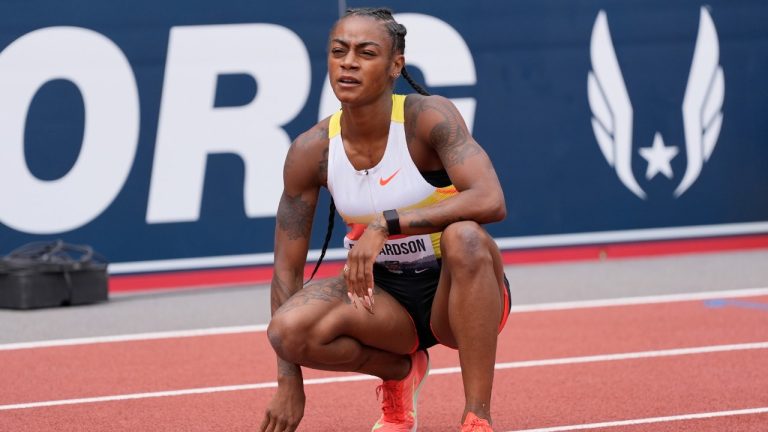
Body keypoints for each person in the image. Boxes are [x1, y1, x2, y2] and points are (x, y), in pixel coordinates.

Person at [260, 7, 510, 432]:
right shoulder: (311, 151)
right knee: (287, 331)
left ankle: (476, 416)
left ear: (396, 65)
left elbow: (490, 199)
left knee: (465, 237)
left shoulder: (427, 118)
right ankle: (399, 372)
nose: (349, 62)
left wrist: (387, 223)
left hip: (458, 291)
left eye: (366, 52)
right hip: (383, 301)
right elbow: (287, 268)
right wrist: (289, 381)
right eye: (339, 51)